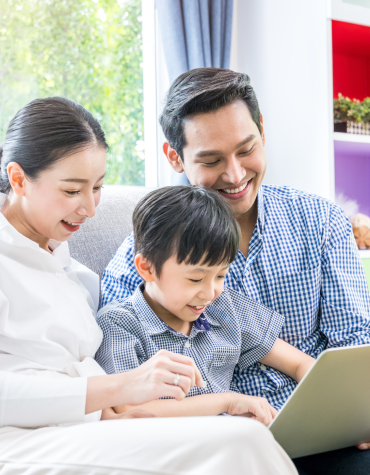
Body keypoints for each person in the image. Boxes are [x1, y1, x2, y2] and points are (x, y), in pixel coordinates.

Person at [0, 97, 297, 475]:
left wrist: (120, 414)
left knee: (240, 438)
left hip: (91, 427)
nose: (90, 209)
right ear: (18, 178)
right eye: (73, 191)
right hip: (22, 439)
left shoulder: (71, 270)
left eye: (97, 187)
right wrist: (123, 388)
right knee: (242, 443)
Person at [101, 68, 370, 474]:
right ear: (175, 157)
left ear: (261, 131)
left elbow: (353, 342)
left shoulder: (322, 221)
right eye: (211, 160)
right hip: (222, 451)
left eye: (246, 149)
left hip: (324, 432)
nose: (235, 174)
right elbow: (125, 405)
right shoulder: (134, 270)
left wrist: (353, 410)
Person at [97, 185, 314, 422]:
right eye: (196, 279)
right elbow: (127, 411)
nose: (210, 293)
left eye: (221, 275)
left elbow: (299, 363)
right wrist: (227, 401)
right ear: (147, 268)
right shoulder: (119, 323)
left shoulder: (225, 306)